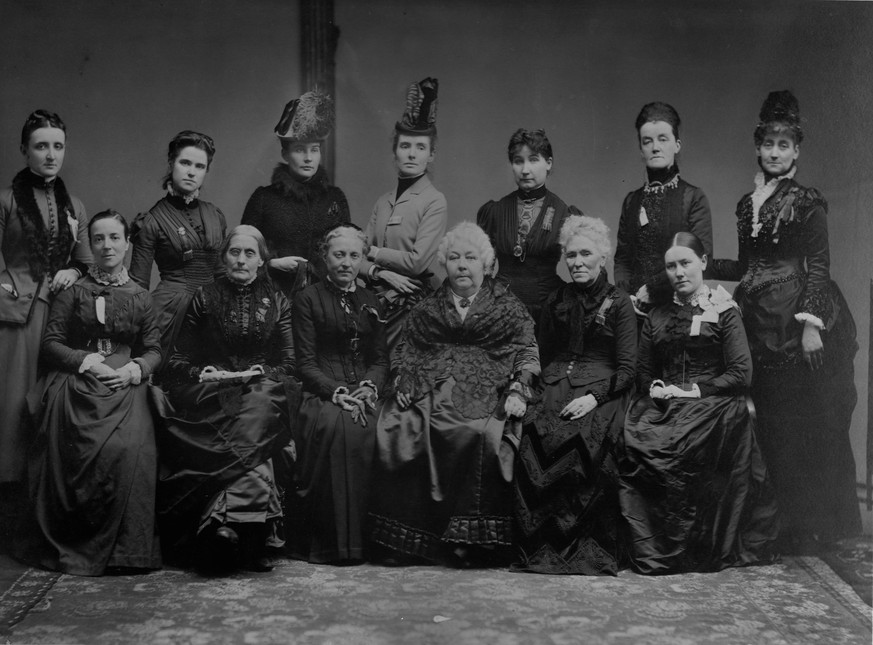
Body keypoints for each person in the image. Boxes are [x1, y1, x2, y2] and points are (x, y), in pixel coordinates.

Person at [709, 91, 860, 552]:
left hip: (796, 321)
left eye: (784, 145)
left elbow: (818, 264)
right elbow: (748, 265)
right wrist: (700, 265)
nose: (775, 152)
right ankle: (781, 523)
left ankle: (816, 525)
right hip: (757, 322)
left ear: (796, 151)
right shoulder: (745, 204)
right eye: (768, 144)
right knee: (772, 422)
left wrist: (812, 324)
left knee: (806, 421)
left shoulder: (807, 200)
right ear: (758, 148)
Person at [370, 222, 540, 567]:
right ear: (444, 264)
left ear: (486, 264)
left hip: (484, 385)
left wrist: (518, 388)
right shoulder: (427, 306)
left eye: (471, 258)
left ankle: (469, 543)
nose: (462, 265)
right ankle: (410, 542)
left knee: (480, 435)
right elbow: (406, 348)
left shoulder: (507, 305)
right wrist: (403, 379)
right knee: (400, 425)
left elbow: (526, 349)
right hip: (428, 383)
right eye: (454, 258)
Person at [620, 233, 778, 574]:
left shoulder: (723, 310)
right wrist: (657, 387)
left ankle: (690, 547)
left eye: (686, 263)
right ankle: (656, 545)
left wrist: (692, 390)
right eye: (670, 266)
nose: (678, 272)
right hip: (664, 404)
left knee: (684, 442)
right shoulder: (656, 315)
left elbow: (741, 374)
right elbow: (644, 373)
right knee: (636, 439)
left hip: (714, 404)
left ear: (703, 263)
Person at [15, 210, 161, 576]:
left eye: (115, 237)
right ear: (90, 245)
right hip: (78, 378)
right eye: (99, 239)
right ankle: (72, 541)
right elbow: (51, 344)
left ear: (128, 243)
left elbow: (155, 349)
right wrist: (85, 361)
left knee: (131, 448)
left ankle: (125, 551)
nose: (107, 246)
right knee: (67, 438)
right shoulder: (74, 291)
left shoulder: (142, 296)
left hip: (124, 381)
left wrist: (134, 370)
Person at [152, 225, 296, 572]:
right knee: (249, 422)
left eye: (250, 253)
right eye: (235, 252)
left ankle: (223, 528)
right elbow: (176, 362)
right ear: (224, 256)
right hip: (213, 391)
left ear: (262, 260)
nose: (241, 260)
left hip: (263, 389)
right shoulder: (204, 297)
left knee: (259, 404)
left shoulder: (277, 300)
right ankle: (250, 535)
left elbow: (289, 364)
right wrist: (203, 372)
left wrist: (261, 371)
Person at [514, 215, 637, 575]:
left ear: (603, 257)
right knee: (533, 431)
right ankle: (538, 547)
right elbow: (546, 354)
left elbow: (628, 370)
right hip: (555, 383)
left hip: (603, 388)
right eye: (571, 255)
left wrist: (596, 398)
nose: (578, 262)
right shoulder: (556, 300)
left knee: (584, 438)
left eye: (586, 254)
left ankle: (582, 550)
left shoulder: (620, 302)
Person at [0, 110, 92, 546]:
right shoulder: (4, 201)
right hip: (14, 320)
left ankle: (44, 517)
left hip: (59, 319)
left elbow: (85, 262)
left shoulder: (75, 206)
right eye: (41, 145)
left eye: (57, 145)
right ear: (24, 150)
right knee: (13, 411)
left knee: (53, 409)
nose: (50, 154)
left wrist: (73, 272)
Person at [289, 224, 388, 564]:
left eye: (354, 256)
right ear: (325, 256)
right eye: (339, 254)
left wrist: (370, 385)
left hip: (366, 390)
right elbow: (305, 363)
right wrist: (337, 392)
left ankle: (377, 542)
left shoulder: (371, 300)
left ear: (362, 259)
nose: (346, 262)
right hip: (322, 391)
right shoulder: (307, 298)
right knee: (339, 428)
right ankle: (335, 545)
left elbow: (380, 359)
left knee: (390, 430)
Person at [360, 77, 447, 351]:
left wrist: (373, 253)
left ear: (431, 155)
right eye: (405, 146)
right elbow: (355, 255)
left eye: (420, 147)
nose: (411, 154)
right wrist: (377, 272)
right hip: (374, 293)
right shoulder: (382, 201)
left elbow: (417, 263)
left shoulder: (434, 201)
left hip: (411, 299)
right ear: (395, 152)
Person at [129, 130, 226, 369]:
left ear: (206, 171)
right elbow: (138, 284)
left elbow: (223, 274)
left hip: (214, 308)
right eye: (185, 163)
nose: (192, 171)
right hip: (171, 312)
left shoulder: (215, 215)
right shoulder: (152, 220)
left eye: (200, 166)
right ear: (172, 163)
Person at [242, 91, 351, 298]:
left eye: (315, 149)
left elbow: (347, 252)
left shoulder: (335, 198)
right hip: (275, 298)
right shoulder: (264, 199)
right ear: (285, 154)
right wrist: (273, 264)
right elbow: (242, 253)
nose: (309, 158)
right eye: (300, 150)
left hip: (326, 300)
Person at [613, 103, 712, 305]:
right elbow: (622, 259)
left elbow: (702, 258)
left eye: (663, 139)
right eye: (647, 141)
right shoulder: (632, 201)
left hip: (677, 303)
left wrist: (652, 290)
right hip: (634, 305)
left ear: (677, 145)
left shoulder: (693, 197)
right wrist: (626, 298)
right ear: (641, 150)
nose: (655, 147)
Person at [477, 128, 578, 323]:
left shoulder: (565, 214)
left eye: (533, 160)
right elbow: (481, 269)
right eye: (518, 161)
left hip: (549, 312)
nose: (525, 170)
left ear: (548, 163)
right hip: (500, 309)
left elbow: (585, 265)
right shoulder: (495, 211)